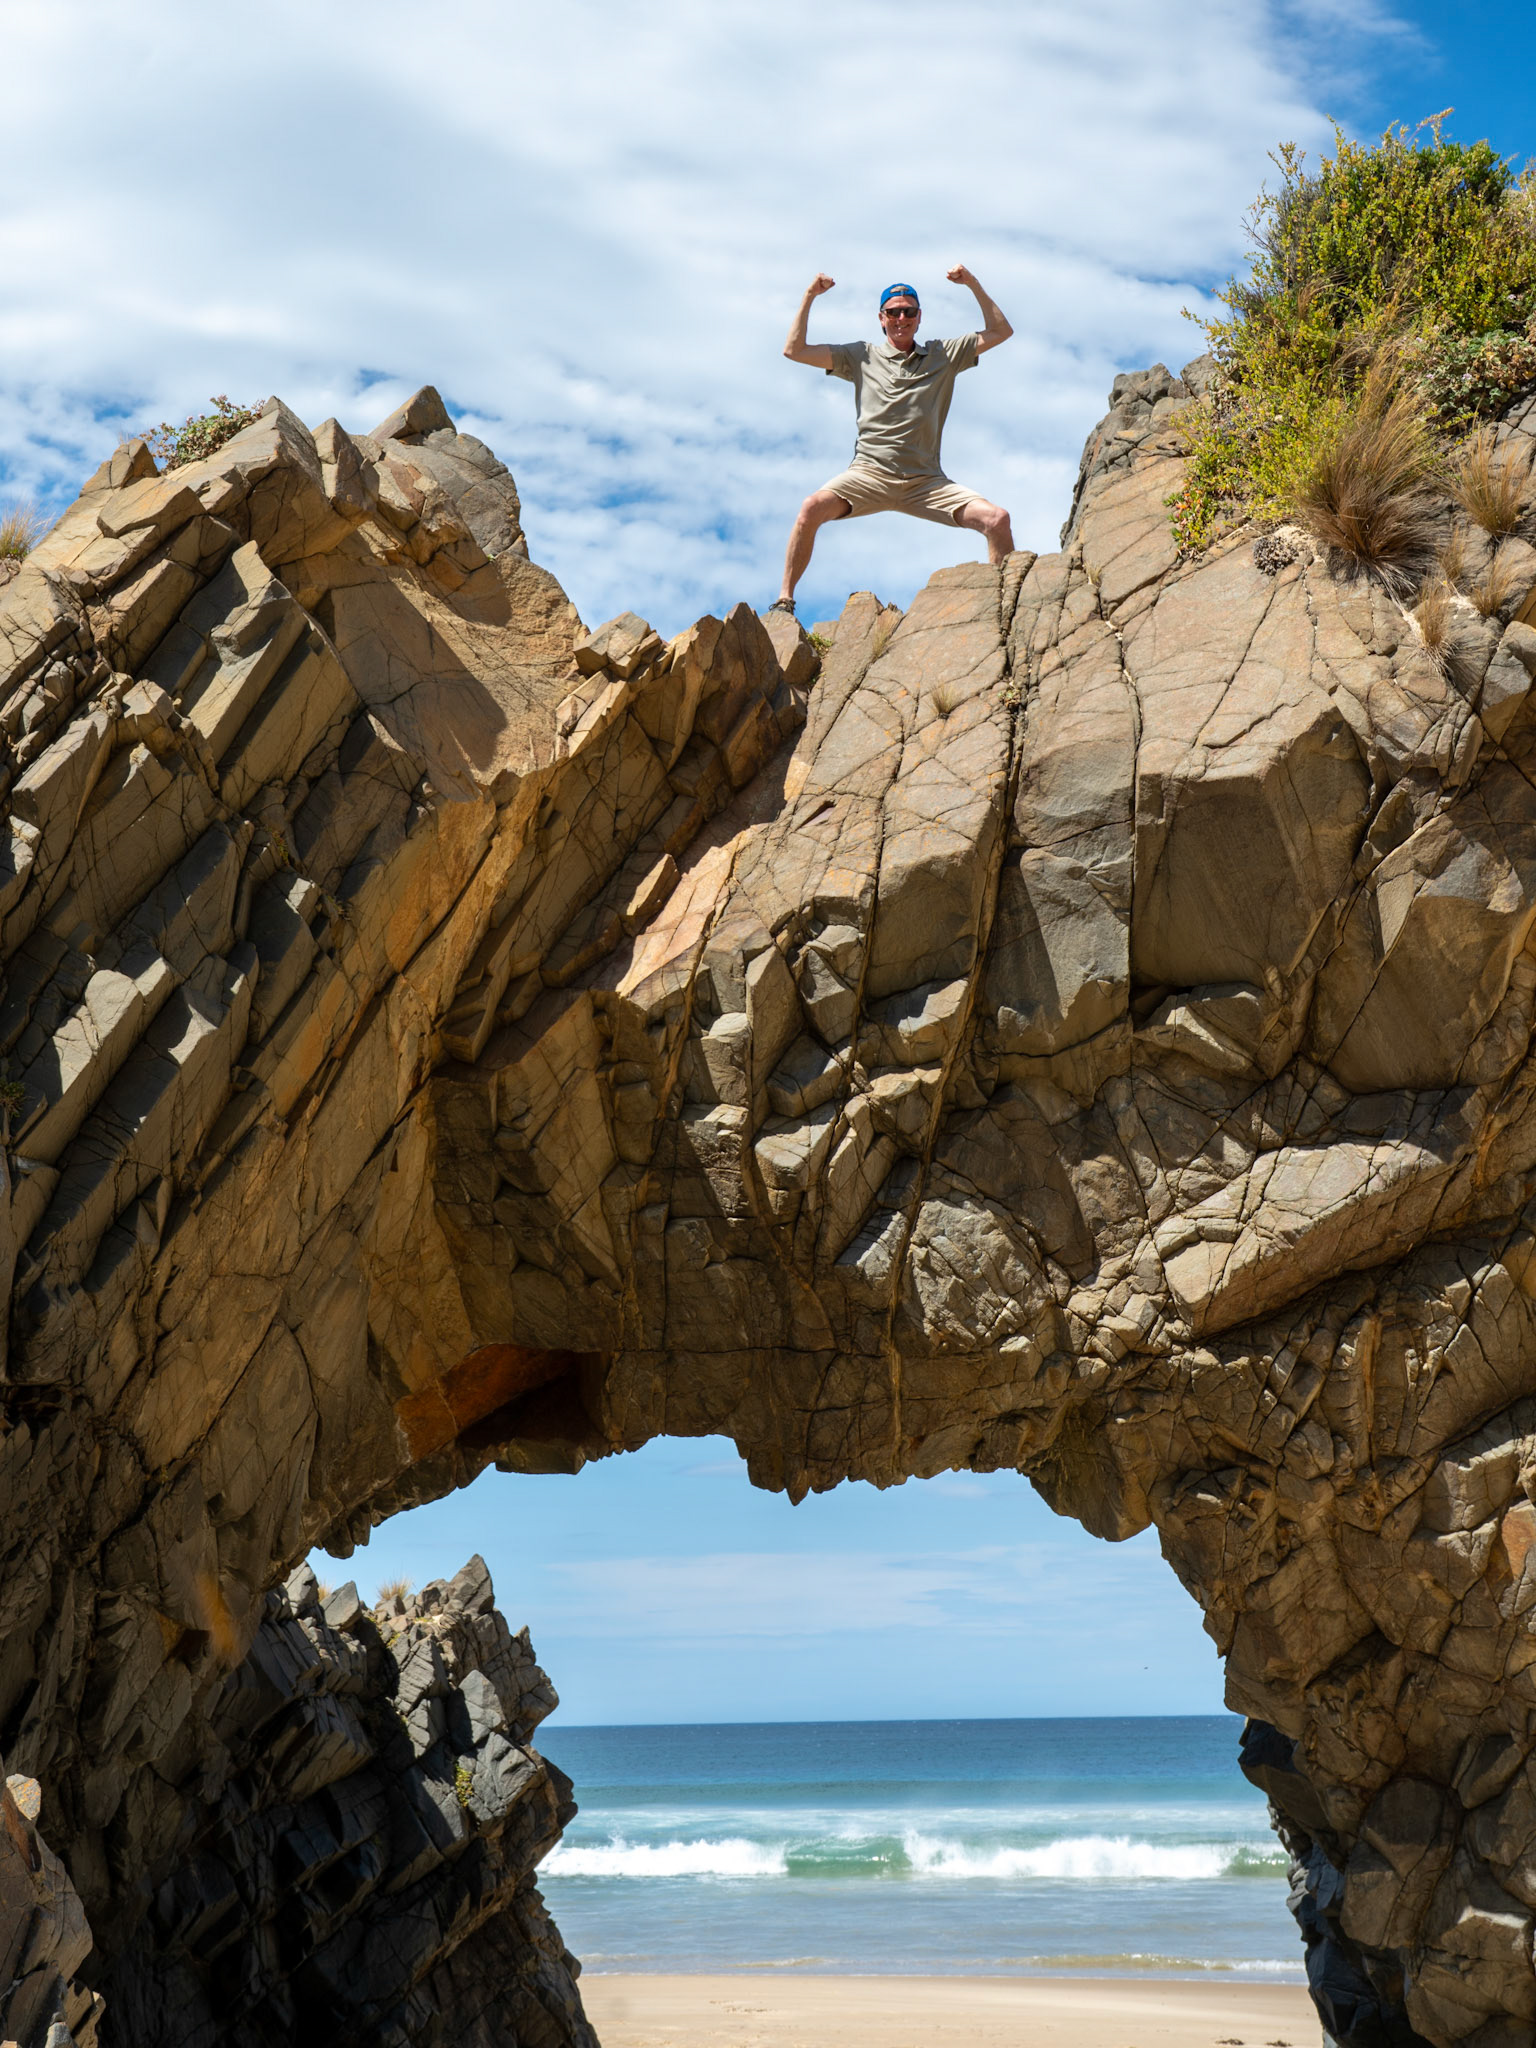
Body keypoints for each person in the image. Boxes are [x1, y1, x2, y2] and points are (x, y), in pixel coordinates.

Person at [772, 268, 1014, 615]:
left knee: (997, 519)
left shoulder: (943, 355)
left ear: (919, 318)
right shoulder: (860, 356)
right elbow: (794, 350)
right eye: (894, 312)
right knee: (810, 508)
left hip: (926, 482)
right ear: (882, 319)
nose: (902, 318)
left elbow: (1000, 331)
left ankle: (1003, 606)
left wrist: (973, 284)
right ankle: (784, 600)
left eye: (909, 312)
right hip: (868, 475)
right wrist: (810, 295)